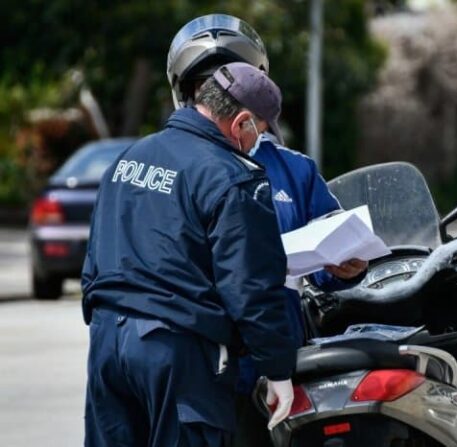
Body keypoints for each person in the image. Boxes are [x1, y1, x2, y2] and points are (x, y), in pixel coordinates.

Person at [166, 14, 368, 445]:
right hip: (199, 362)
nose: (215, 94)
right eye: (204, 86)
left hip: (275, 362)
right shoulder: (173, 166)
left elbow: (331, 247)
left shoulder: (295, 170)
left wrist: (343, 267)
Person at [82, 62, 300, 447]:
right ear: (242, 123)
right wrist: (278, 369)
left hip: (107, 346)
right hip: (177, 352)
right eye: (259, 135)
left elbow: (97, 251)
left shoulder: (130, 158)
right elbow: (250, 286)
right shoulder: (233, 178)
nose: (255, 146)